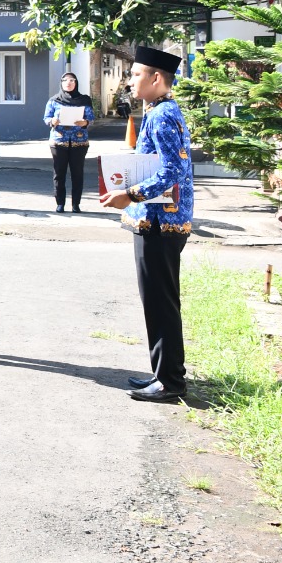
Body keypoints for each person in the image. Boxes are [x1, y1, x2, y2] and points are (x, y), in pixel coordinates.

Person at [99, 46, 194, 403]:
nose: (130, 81)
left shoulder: (162, 114)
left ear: (157, 78)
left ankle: (170, 380)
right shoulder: (160, 110)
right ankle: (163, 373)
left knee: (161, 301)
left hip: (160, 221)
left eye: (136, 74)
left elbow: (173, 171)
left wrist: (131, 194)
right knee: (157, 300)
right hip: (159, 220)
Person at [44, 70, 93, 213]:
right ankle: (60, 203)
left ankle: (76, 204)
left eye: (72, 80)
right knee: (59, 173)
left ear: (76, 83)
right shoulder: (54, 100)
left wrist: (85, 122)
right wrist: (52, 121)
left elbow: (91, 118)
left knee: (77, 173)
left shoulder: (84, 100)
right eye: (66, 80)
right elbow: (46, 118)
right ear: (61, 83)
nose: (69, 83)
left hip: (79, 141)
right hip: (59, 141)